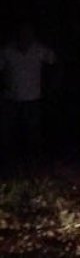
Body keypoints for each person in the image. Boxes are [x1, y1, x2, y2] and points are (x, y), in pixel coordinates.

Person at [1, 22, 58, 173]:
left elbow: (54, 60)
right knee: (9, 133)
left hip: (33, 99)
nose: (25, 37)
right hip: (11, 99)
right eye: (22, 34)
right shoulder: (7, 51)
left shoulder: (39, 49)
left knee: (33, 133)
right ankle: (10, 164)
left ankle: (34, 164)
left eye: (28, 34)